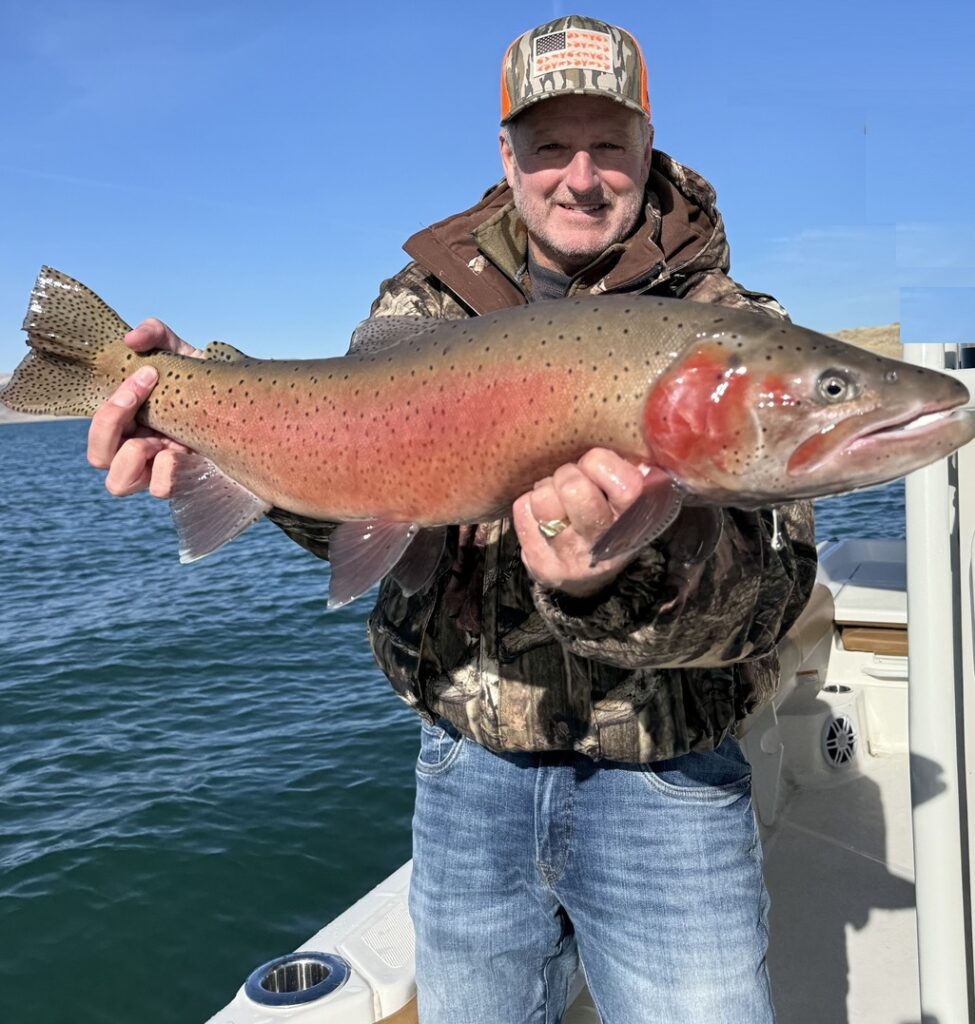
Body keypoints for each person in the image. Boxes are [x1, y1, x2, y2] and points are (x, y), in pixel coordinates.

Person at [87, 15, 816, 1023]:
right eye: (550, 145)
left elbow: (775, 591)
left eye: (609, 143)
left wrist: (618, 571)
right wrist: (210, 430)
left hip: (671, 784)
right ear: (506, 154)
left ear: (649, 147)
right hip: (467, 775)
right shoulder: (421, 302)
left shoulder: (736, 330)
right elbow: (366, 503)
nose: (581, 174)